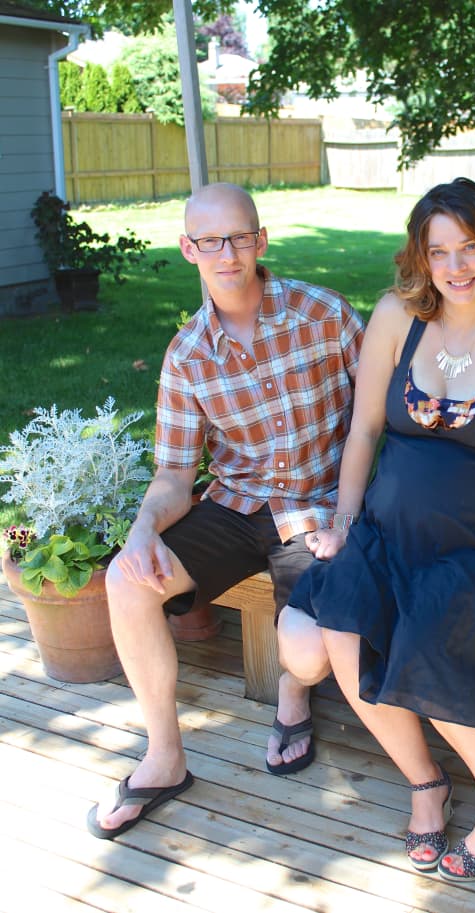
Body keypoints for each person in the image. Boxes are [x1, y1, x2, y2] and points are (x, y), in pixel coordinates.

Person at [282, 177, 475, 883]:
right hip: (387, 530)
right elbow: (364, 430)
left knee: (429, 635)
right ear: (420, 258)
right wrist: (345, 524)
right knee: (337, 625)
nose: (455, 266)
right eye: (438, 251)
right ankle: (425, 781)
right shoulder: (396, 317)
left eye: (469, 247)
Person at [86, 182, 364, 840]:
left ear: (261, 240)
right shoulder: (187, 355)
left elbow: (378, 413)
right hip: (236, 506)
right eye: (210, 241)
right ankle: (164, 758)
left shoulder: (324, 314)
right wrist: (142, 531)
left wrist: (357, 514)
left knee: (309, 655)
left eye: (239, 237)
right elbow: (175, 473)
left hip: (318, 510)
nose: (228, 253)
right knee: (127, 578)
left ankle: (294, 689)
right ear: (189, 249)